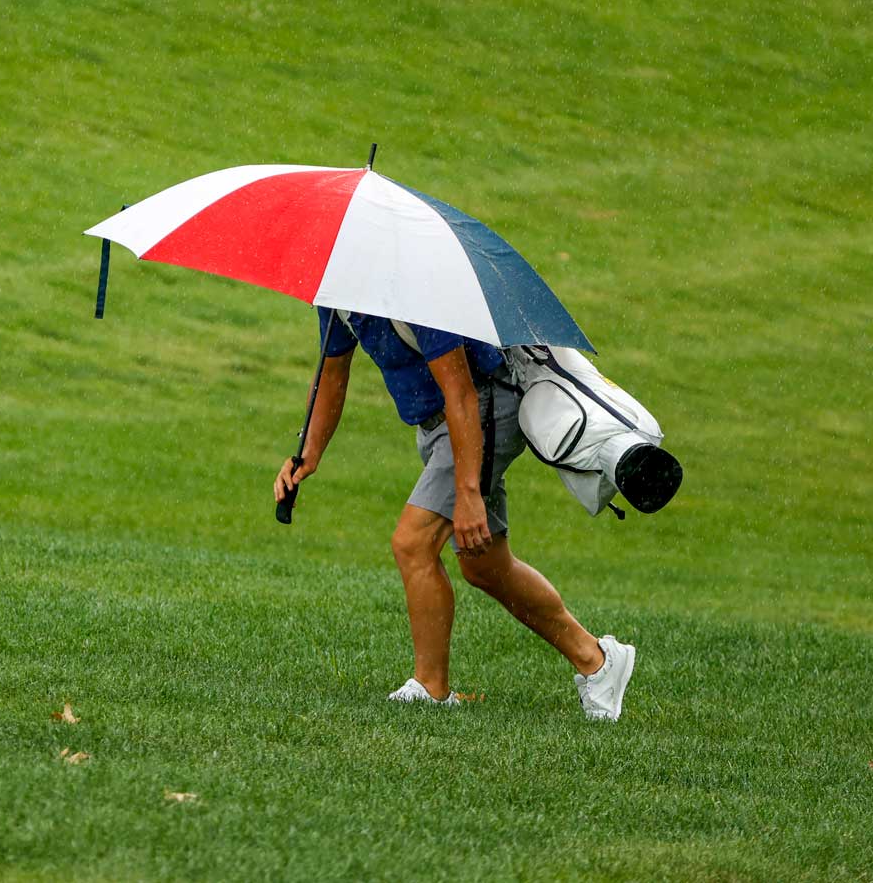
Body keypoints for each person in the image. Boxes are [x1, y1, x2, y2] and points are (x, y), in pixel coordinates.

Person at [272, 308, 636, 721]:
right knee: (485, 566)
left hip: (479, 413)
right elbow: (332, 374)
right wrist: (308, 453)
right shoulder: (340, 294)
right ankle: (598, 660)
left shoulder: (415, 292)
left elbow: (461, 393)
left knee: (413, 543)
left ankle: (430, 688)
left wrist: (468, 494)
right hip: (439, 424)